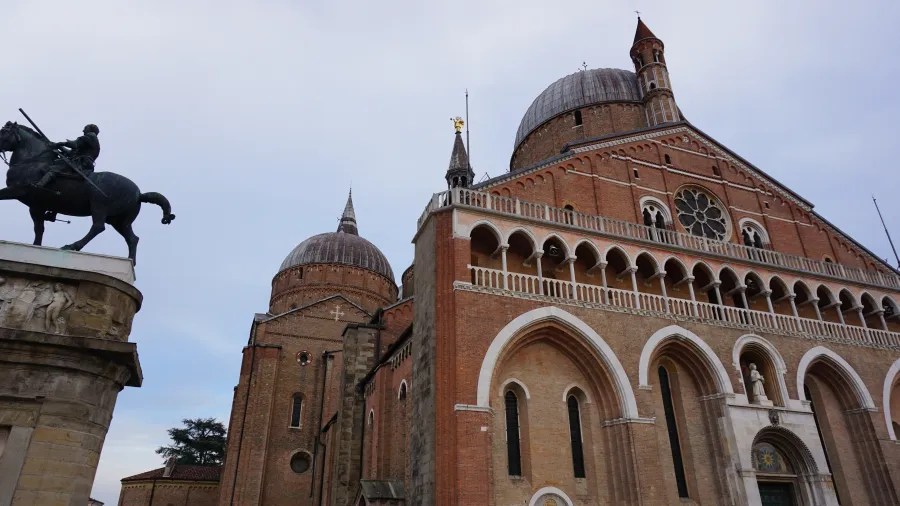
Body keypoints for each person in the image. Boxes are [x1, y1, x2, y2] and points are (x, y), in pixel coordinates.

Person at [34, 124, 100, 188]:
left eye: (85, 128)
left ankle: (39, 186)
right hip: (84, 163)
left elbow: (74, 144)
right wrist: (58, 146)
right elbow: (71, 153)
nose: (83, 130)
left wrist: (60, 144)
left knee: (53, 170)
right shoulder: (90, 141)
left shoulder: (91, 135)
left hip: (80, 163)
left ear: (91, 129)